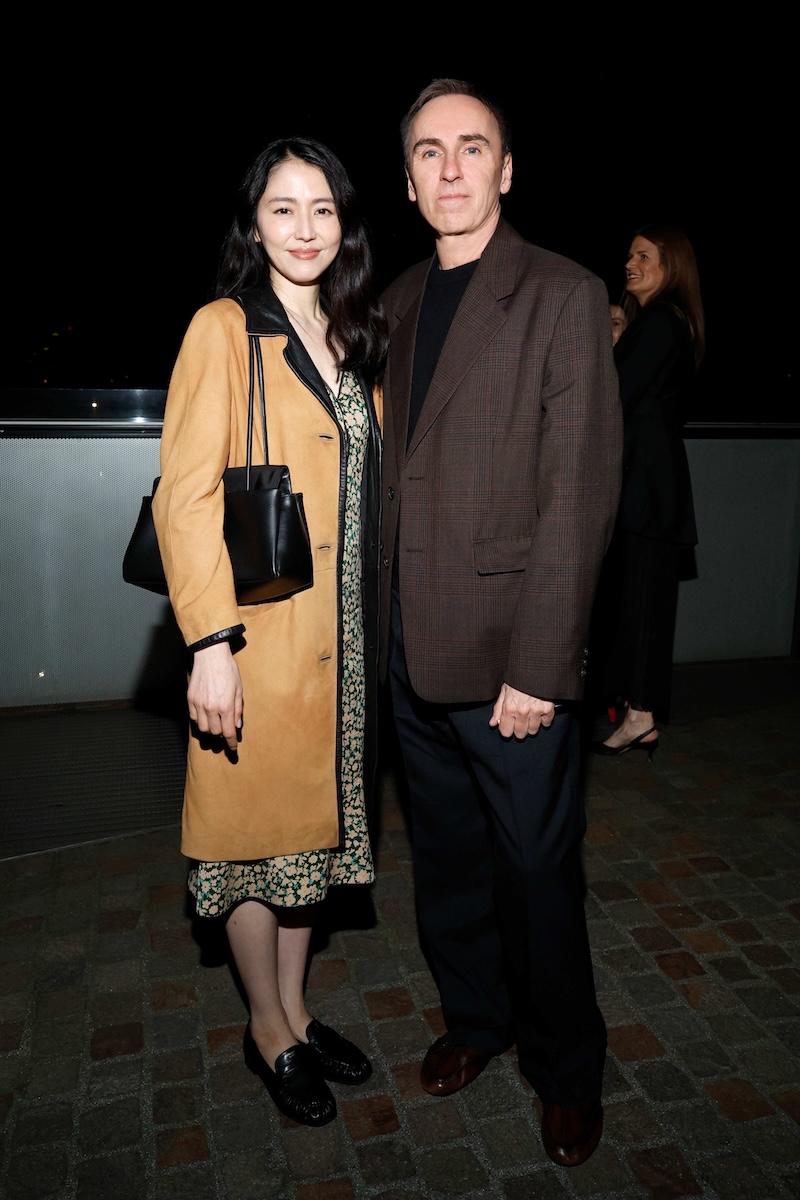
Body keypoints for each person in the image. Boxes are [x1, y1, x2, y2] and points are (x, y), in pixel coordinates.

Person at [378, 79, 622, 1168]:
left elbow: (579, 492)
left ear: (506, 169)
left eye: (471, 147)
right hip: (407, 649)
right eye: (428, 151)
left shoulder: (562, 293)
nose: (450, 167)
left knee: (535, 875)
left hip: (509, 662)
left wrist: (540, 665)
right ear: (408, 179)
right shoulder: (391, 302)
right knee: (446, 863)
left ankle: (566, 1069)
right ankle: (477, 1021)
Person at [151, 136, 387, 1128]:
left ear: (344, 225)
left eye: (322, 208)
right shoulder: (221, 329)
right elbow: (184, 499)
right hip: (257, 643)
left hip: (344, 649)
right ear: (254, 223)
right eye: (283, 207)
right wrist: (209, 645)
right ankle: (265, 1028)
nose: (304, 227)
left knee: (307, 851)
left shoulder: (355, 335)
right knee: (252, 848)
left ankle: (296, 1008)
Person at [590, 223, 704, 758]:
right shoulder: (664, 321)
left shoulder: (661, 320)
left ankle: (639, 715)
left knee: (641, 604)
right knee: (641, 603)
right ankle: (638, 712)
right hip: (650, 486)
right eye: (629, 255)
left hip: (646, 489)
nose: (629, 264)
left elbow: (613, 395)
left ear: (669, 265)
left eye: (642, 256)